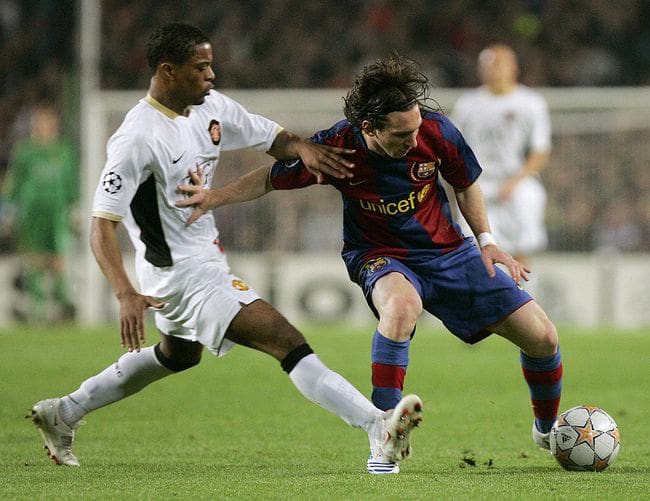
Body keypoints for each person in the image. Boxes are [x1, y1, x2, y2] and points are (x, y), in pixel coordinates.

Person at [29, 23, 423, 475]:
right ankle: (376, 426)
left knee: (178, 355)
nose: (212, 75)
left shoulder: (210, 108)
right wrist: (123, 292)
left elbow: (272, 137)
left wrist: (301, 148)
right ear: (167, 71)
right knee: (285, 340)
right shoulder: (136, 137)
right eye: (201, 67)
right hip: (183, 276)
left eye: (211, 64)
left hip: (200, 262)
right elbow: (101, 224)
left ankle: (64, 411)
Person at [176, 54, 563, 469]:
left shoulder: (436, 131)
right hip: (378, 254)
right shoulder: (337, 148)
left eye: (416, 129)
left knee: (543, 337)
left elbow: (465, 184)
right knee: (400, 307)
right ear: (368, 128)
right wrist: (213, 197)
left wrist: (486, 240)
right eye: (401, 134)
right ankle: (383, 436)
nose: (414, 141)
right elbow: (271, 178)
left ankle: (545, 430)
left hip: (449, 252)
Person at [451, 43, 551, 266]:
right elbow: (454, 147)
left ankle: (522, 292)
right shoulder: (467, 104)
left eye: (498, 63)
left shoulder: (531, 102)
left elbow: (540, 151)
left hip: (517, 182)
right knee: (475, 247)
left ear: (513, 67)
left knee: (522, 243)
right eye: (486, 64)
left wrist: (514, 182)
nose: (492, 68)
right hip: (478, 182)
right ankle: (483, 294)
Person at [1, 103, 77, 322]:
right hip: (31, 212)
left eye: (50, 124)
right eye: (41, 124)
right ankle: (36, 309)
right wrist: (8, 209)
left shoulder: (63, 150)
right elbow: (14, 182)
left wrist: (75, 206)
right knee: (33, 258)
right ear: (34, 126)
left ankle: (63, 306)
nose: (46, 128)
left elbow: (70, 181)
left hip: (58, 212)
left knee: (58, 257)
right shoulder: (25, 151)